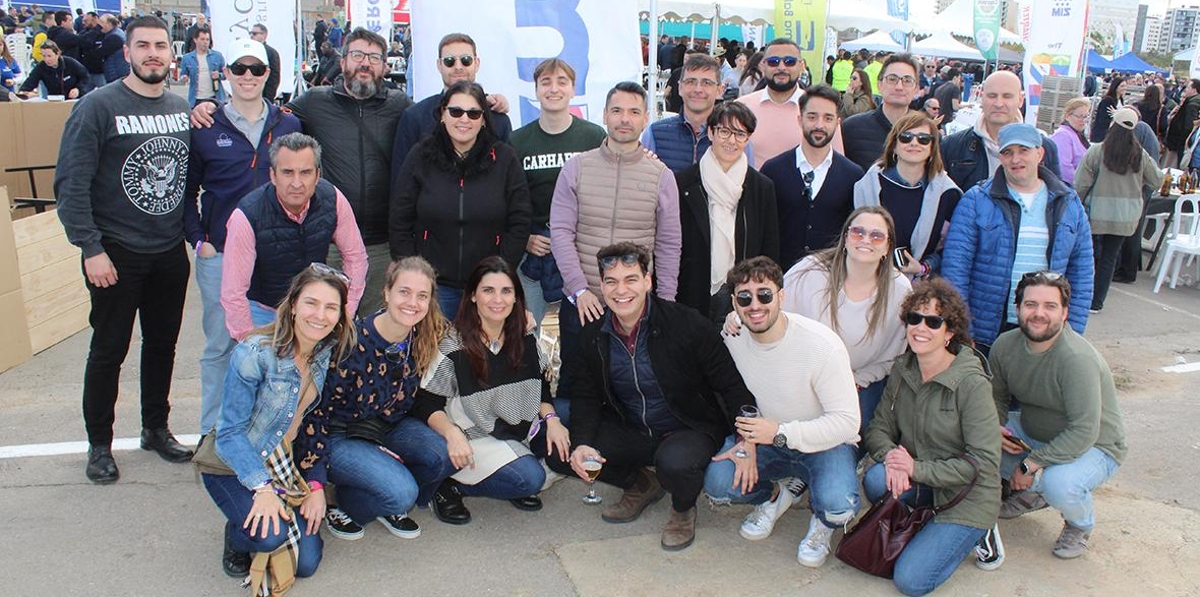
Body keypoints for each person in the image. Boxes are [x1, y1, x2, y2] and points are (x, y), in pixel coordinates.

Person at [54, 15, 194, 484]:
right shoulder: (98, 106)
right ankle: (99, 444)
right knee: (109, 349)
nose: (153, 53)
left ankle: (155, 427)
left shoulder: (179, 106)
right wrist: (90, 247)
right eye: (143, 45)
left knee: (163, 346)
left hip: (168, 251)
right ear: (127, 52)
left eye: (160, 45)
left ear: (171, 53)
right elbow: (71, 183)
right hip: (115, 252)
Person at [546, 242, 758, 551]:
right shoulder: (593, 334)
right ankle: (640, 482)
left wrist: (746, 439)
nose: (621, 290)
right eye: (611, 281)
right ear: (602, 287)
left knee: (675, 463)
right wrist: (582, 443)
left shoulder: (686, 324)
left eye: (631, 279)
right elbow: (585, 395)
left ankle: (683, 508)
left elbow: (730, 384)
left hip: (687, 428)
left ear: (648, 281)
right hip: (633, 428)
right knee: (558, 448)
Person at [194, 28, 414, 316]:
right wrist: (212, 110)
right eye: (357, 55)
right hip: (328, 242)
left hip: (381, 243)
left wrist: (491, 105)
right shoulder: (314, 102)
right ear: (343, 60)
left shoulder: (400, 105)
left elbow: (442, 120)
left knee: (372, 330)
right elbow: (267, 115)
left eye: (374, 57)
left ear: (385, 65)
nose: (365, 63)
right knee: (325, 328)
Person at [703, 256, 860, 567]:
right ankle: (777, 494)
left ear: (782, 297)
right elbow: (737, 399)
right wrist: (747, 440)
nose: (755, 305)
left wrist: (779, 431)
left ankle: (821, 522)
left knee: (837, 507)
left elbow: (847, 423)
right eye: (744, 298)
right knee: (719, 486)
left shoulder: (822, 345)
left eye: (764, 295)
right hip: (765, 442)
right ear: (734, 303)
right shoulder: (733, 338)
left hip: (824, 444)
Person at [548, 81, 681, 444]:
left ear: (645, 119)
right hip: (584, 302)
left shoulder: (661, 176)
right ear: (605, 115)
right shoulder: (577, 168)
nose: (625, 119)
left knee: (629, 384)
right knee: (576, 382)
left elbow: (669, 244)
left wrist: (663, 303)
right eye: (618, 111)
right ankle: (571, 450)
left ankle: (626, 454)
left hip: (636, 305)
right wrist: (578, 289)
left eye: (634, 112)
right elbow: (560, 231)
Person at [205, 265, 354, 582]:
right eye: (311, 303)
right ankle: (236, 534)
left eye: (331, 307)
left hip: (284, 462)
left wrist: (315, 483)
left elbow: (317, 423)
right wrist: (262, 489)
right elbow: (229, 434)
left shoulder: (327, 352)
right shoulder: (254, 354)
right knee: (270, 537)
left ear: (340, 315)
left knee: (306, 564)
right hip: (236, 463)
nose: (320, 315)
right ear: (294, 304)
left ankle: (257, 517)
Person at [184, 38, 303, 435]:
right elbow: (188, 192)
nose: (248, 77)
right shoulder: (203, 125)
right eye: (240, 69)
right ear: (226, 73)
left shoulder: (288, 124)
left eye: (256, 69)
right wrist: (199, 241)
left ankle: (260, 431)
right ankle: (212, 434)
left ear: (267, 74)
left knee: (272, 346)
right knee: (221, 346)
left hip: (274, 255)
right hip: (220, 255)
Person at [860, 278, 1003, 594]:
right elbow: (879, 429)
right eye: (915, 318)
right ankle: (926, 521)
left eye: (933, 321)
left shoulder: (972, 384)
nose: (920, 327)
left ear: (949, 332)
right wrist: (893, 459)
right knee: (875, 479)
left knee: (911, 581)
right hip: (921, 479)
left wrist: (914, 469)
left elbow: (983, 463)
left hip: (967, 494)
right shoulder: (903, 368)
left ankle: (981, 531)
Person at [726, 208, 909, 442]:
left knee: (850, 430)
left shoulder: (900, 291)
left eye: (876, 235)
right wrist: (739, 317)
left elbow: (893, 355)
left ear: (887, 247)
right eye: (857, 232)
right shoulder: (809, 272)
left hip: (860, 380)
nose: (865, 240)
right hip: (801, 376)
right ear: (845, 237)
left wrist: (857, 380)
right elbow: (767, 305)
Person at [313, 257, 457, 540]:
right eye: (404, 292)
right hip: (341, 436)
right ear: (387, 292)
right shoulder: (352, 342)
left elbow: (473, 335)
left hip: (389, 427)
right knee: (403, 493)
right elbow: (317, 416)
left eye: (421, 296)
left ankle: (377, 487)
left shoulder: (425, 332)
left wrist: (519, 317)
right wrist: (316, 481)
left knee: (446, 453)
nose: (412, 302)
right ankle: (342, 502)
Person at [417, 256, 570, 523]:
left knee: (572, 417)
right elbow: (426, 402)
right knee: (531, 478)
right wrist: (452, 434)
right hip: (474, 435)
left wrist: (553, 420)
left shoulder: (523, 337)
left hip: (518, 424)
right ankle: (448, 485)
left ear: (515, 298)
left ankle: (513, 465)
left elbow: (541, 387)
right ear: (473, 296)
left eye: (506, 291)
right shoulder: (454, 345)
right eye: (488, 290)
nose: (497, 299)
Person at [989, 272, 1127, 560]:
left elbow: (1084, 431)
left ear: (1064, 313)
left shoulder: (1076, 359)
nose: (1039, 313)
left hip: (1095, 445)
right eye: (1030, 304)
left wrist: (1029, 465)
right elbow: (997, 399)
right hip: (1035, 431)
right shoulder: (1004, 345)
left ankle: (1079, 523)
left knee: (1058, 484)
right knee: (977, 441)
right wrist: (996, 428)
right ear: (1017, 309)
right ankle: (1035, 494)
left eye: (1050, 306)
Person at [942, 123, 1092, 352]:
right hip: (986, 331)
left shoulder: (1069, 203)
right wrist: (963, 328)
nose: (1015, 159)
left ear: (1039, 153)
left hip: (1044, 328)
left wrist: (1073, 331)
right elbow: (956, 269)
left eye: (1024, 150)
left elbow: (1082, 272)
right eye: (1008, 152)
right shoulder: (976, 200)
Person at [390, 81, 531, 319]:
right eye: (456, 111)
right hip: (433, 287)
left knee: (480, 355)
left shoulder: (504, 158)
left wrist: (499, 269)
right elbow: (400, 217)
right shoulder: (421, 155)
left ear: (484, 120)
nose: (464, 119)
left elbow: (520, 218)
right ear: (443, 114)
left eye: (473, 113)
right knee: (436, 355)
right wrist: (414, 270)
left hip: (486, 287)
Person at [221, 133, 368, 341]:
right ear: (273, 175)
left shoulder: (333, 199)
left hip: (316, 309)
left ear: (317, 175)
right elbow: (233, 292)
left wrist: (346, 312)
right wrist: (249, 342)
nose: (297, 183)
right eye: (287, 172)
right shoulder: (247, 216)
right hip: (264, 313)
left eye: (305, 172)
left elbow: (356, 257)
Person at [509, 58, 606, 330]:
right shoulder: (518, 141)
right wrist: (524, 238)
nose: (554, 89)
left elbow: (605, 191)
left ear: (574, 89)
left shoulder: (593, 136)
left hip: (581, 252)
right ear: (536, 89)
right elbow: (508, 201)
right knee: (526, 330)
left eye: (562, 82)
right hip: (534, 255)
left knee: (584, 331)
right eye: (546, 82)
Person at [675, 102, 778, 321]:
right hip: (692, 293)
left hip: (743, 297)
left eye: (740, 134)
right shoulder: (683, 183)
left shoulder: (761, 187)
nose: (731, 141)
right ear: (710, 133)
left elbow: (769, 249)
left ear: (748, 139)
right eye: (724, 131)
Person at [760, 85, 863, 267]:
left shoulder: (853, 175)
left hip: (830, 280)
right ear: (800, 120)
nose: (819, 125)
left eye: (828, 118)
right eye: (812, 117)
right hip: (779, 279)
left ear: (837, 122)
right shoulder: (773, 170)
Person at [1072, 108, 1163, 313]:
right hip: (1126, 217)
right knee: (1109, 259)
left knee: (1090, 257)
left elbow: (1081, 184)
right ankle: (1097, 302)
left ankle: (1082, 297)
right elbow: (1157, 179)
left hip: (1096, 214)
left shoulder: (1097, 151)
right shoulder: (1139, 155)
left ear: (1113, 125)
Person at [853, 112, 962, 278]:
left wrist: (923, 267)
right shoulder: (868, 185)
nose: (914, 143)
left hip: (920, 289)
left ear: (932, 148)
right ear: (894, 145)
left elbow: (952, 249)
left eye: (923, 139)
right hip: (869, 279)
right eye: (906, 137)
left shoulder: (948, 194)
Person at [391, 33, 513, 177]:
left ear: (477, 63)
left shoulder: (498, 119)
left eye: (466, 60)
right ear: (439, 65)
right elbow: (401, 181)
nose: (458, 67)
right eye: (449, 61)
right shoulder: (414, 117)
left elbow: (509, 179)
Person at [942, 71, 1061, 196]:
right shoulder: (951, 146)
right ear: (981, 97)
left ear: (1020, 100)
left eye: (1007, 96)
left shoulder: (1045, 147)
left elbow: (1056, 200)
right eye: (992, 96)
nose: (999, 103)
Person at [642, 53, 727, 173]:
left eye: (706, 83)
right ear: (680, 88)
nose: (698, 89)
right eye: (691, 82)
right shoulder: (655, 134)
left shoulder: (733, 139)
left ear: (719, 90)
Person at [739, 38, 816, 168]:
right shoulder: (742, 107)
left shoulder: (819, 110)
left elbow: (835, 163)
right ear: (763, 65)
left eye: (789, 62)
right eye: (773, 62)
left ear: (801, 66)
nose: (781, 67)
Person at [841, 53, 920, 171]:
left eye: (907, 81)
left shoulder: (925, 134)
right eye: (892, 79)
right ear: (879, 85)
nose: (899, 87)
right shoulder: (851, 128)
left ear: (916, 89)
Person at [16, 40, 91, 99]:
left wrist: (78, 89)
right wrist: (23, 93)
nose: (46, 59)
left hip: (75, 99)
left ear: (57, 53)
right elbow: (30, 81)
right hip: (55, 100)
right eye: (44, 56)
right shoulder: (41, 66)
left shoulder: (70, 63)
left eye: (49, 56)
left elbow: (86, 77)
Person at [178, 27, 226, 107]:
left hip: (215, 98)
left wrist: (219, 75)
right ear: (195, 40)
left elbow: (226, 74)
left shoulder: (217, 56)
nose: (205, 42)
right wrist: (184, 78)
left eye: (207, 39)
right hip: (196, 99)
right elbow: (182, 75)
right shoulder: (187, 58)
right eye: (202, 39)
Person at [1050, 97, 1091, 186]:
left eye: (1086, 116)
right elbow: (1064, 169)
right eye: (1080, 116)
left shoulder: (1077, 134)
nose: (1083, 120)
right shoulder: (1062, 135)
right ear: (1067, 116)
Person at [1164, 79, 1200, 168]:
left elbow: (1189, 126)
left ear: (1194, 90)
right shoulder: (1191, 102)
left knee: (1177, 167)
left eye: (1188, 87)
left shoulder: (1192, 105)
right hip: (1179, 141)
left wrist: (1181, 143)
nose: (1186, 89)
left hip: (1180, 143)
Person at [248, 23, 281, 102]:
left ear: (264, 35)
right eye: (251, 33)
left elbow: (274, 77)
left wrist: (268, 98)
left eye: (255, 33)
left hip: (264, 94)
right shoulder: (247, 52)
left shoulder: (271, 53)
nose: (252, 36)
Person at [1090, 76, 1125, 143]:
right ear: (1115, 87)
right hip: (1103, 136)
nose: (1124, 88)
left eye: (1125, 86)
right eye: (1122, 86)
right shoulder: (1107, 101)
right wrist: (1117, 115)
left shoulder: (1121, 100)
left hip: (1113, 134)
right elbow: (1102, 120)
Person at [96, 15, 129, 84]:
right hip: (119, 70)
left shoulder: (114, 37)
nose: (98, 25)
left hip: (115, 72)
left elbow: (99, 53)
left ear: (109, 24)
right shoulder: (118, 32)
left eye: (101, 22)